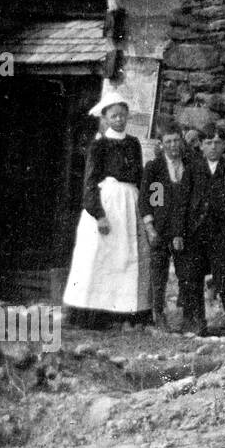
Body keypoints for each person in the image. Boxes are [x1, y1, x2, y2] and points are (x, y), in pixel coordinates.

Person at [63, 91, 151, 326]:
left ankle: (125, 313)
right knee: (100, 258)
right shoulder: (98, 145)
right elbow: (90, 181)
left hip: (130, 203)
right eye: (114, 116)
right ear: (105, 118)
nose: (119, 120)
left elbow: (140, 177)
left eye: (122, 115)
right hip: (108, 204)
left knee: (127, 257)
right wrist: (98, 214)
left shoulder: (133, 143)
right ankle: (94, 315)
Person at [142, 126, 207, 333]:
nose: (173, 146)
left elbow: (195, 202)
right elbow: (149, 200)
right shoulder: (155, 168)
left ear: (182, 142)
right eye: (168, 141)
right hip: (160, 231)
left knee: (186, 275)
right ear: (161, 144)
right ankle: (158, 315)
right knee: (158, 276)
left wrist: (182, 232)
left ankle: (188, 317)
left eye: (176, 140)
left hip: (185, 232)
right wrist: (151, 228)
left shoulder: (192, 166)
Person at [190, 125, 225, 329]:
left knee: (223, 277)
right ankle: (198, 322)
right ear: (201, 146)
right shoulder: (193, 168)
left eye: (217, 142)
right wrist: (181, 232)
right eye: (208, 143)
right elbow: (184, 201)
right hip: (196, 232)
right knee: (194, 277)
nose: (213, 147)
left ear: (223, 145)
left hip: (220, 233)